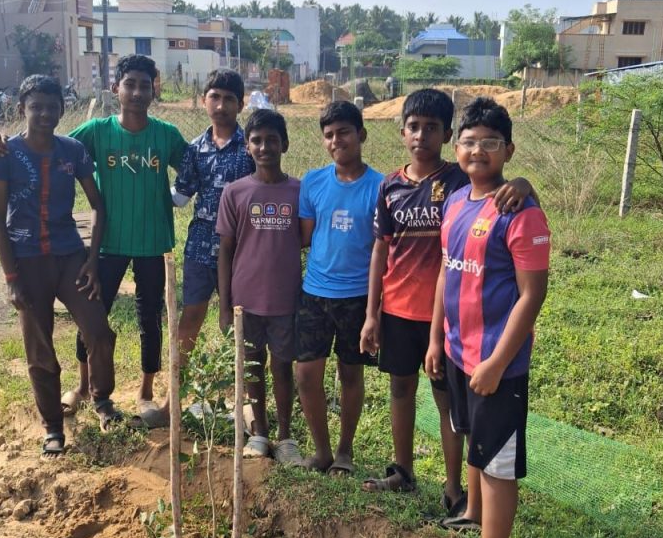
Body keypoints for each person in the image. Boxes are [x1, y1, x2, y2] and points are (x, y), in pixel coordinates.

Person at [360, 88, 534, 504]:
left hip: (449, 321)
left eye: (431, 128)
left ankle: (454, 488)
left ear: (447, 136)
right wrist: (372, 313)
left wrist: (524, 184)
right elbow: (381, 249)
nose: (421, 135)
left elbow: (505, 192)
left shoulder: (459, 179)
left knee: (449, 405)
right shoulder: (390, 186)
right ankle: (403, 471)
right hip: (398, 310)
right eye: (414, 127)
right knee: (400, 390)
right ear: (402, 132)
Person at [425, 97, 550, 538]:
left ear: (508, 150)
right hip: (458, 353)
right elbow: (445, 272)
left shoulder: (521, 211)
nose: (478, 150)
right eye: (469, 141)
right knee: (471, 439)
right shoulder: (456, 201)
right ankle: (472, 512)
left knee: (497, 467)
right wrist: (437, 338)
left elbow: (532, 295)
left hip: (497, 364)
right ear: (456, 148)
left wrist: (499, 361)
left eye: (490, 143)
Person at [0, 76, 119, 456]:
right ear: (22, 109)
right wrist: (11, 278)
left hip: (70, 257)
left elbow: (98, 204)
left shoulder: (72, 150)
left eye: (51, 106)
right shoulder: (5, 154)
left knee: (98, 330)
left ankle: (102, 400)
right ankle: (53, 427)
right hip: (27, 262)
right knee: (39, 346)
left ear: (62, 108)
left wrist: (92, 260)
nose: (44, 114)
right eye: (36, 107)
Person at [58, 55, 186, 423]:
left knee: (151, 316)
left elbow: (194, 168)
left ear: (154, 90)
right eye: (130, 84)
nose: (137, 92)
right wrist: (13, 145)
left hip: (153, 241)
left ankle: (146, 390)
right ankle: (83, 386)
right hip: (107, 243)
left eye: (145, 85)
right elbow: (55, 150)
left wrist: (180, 196)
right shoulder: (96, 132)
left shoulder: (166, 134)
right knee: (93, 314)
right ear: (116, 89)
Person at [297, 100, 384, 475]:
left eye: (344, 132)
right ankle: (321, 452)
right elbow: (306, 237)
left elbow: (383, 249)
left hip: (358, 298)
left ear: (361, 135)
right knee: (306, 375)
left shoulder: (380, 187)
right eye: (329, 135)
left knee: (351, 374)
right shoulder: (313, 182)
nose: (336, 141)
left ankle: (345, 452)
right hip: (315, 294)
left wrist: (374, 311)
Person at [216, 109, 303, 464]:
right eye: (256, 140)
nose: (264, 147)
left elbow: (305, 241)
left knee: (282, 366)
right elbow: (225, 251)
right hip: (245, 301)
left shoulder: (299, 191)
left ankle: (285, 437)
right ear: (247, 147)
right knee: (251, 366)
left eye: (271, 140)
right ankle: (260, 433)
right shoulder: (235, 192)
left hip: (285, 300)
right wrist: (224, 305)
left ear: (285, 144)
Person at [170, 70, 254, 364]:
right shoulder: (195, 149)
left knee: (237, 317)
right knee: (192, 314)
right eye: (214, 97)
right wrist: (147, 190)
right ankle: (179, 382)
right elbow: (182, 195)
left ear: (240, 105)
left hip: (241, 248)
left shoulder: (251, 148)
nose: (221, 105)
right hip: (200, 248)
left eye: (229, 99)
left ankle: (243, 382)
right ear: (204, 100)